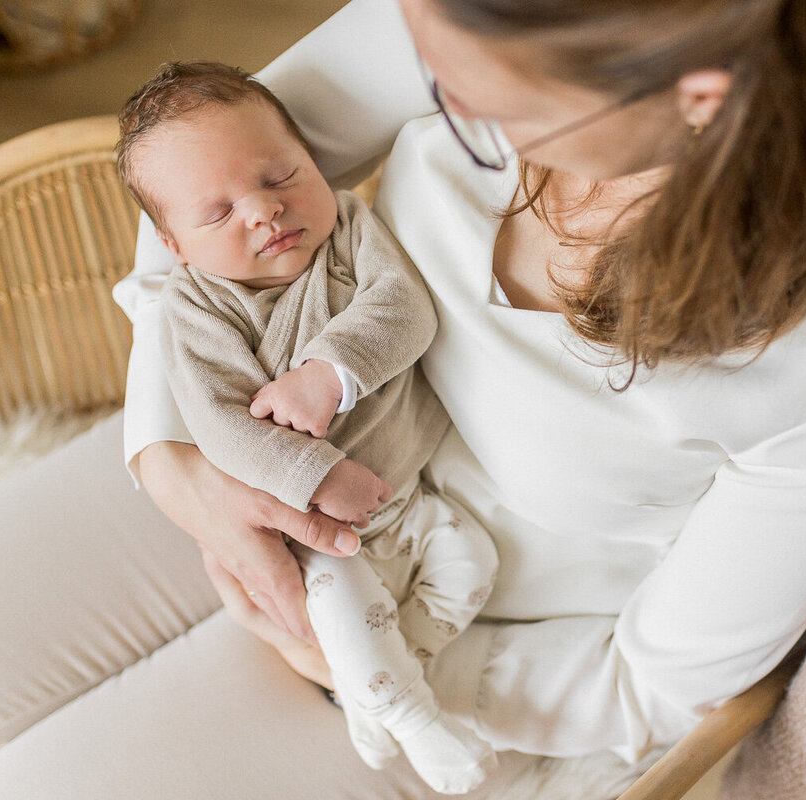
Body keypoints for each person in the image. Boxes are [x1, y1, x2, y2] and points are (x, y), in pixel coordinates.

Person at [0, 0, 806, 798]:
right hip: (259, 438)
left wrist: (373, 662)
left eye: (481, 104)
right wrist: (172, 457)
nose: (434, 85)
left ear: (692, 98)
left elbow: (654, 681)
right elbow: (199, 169)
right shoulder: (472, 20)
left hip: (459, 638)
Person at [118, 61, 499, 793]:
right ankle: (417, 723)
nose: (265, 211)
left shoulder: (351, 228)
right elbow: (224, 429)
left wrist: (329, 373)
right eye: (219, 212)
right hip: (309, 529)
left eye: (280, 175)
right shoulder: (194, 311)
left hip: (406, 496)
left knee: (472, 562)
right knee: (352, 615)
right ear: (175, 248)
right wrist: (317, 476)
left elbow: (406, 309)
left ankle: (381, 685)